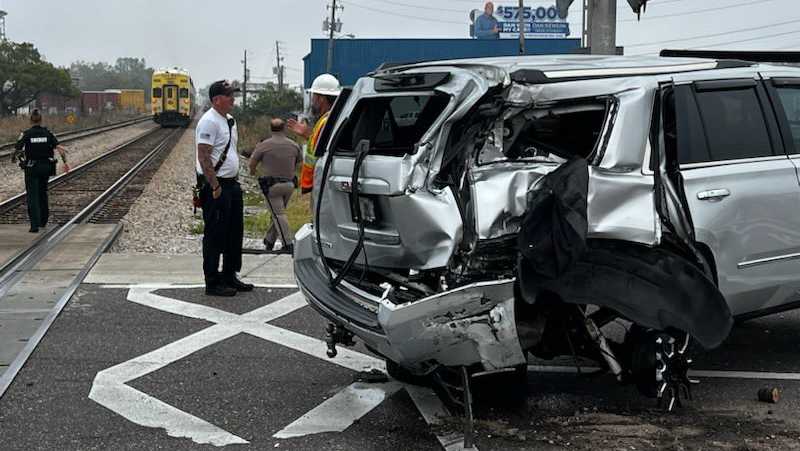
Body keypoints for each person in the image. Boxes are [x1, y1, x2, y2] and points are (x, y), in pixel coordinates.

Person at [196, 80, 254, 297]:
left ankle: (229, 275)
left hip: (231, 184)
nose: (233, 99)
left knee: (233, 233)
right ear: (216, 99)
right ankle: (212, 281)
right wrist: (215, 186)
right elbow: (204, 156)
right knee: (215, 234)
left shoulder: (229, 120)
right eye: (229, 95)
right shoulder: (209, 121)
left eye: (233, 95)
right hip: (217, 186)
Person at [249, 118, 302, 253]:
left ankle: (288, 244)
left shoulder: (264, 145)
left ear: (270, 129)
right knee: (278, 213)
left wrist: (253, 173)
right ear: (284, 128)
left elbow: (252, 163)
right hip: (289, 185)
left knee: (278, 214)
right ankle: (269, 240)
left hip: (272, 186)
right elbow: (299, 162)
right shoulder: (294, 145)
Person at [14, 109, 70, 233]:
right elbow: (60, 148)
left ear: (31, 120)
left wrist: (20, 157)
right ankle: (43, 221)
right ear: (41, 120)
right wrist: (65, 163)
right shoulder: (48, 133)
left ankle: (34, 225)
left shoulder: (26, 134)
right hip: (46, 167)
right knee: (43, 193)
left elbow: (18, 148)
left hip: (32, 168)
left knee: (32, 196)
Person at [287, 73, 341, 199]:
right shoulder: (330, 118)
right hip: (320, 181)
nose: (312, 101)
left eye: (314, 96)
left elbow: (326, 148)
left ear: (321, 99)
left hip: (323, 182)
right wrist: (308, 135)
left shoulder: (326, 121)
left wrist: (307, 134)